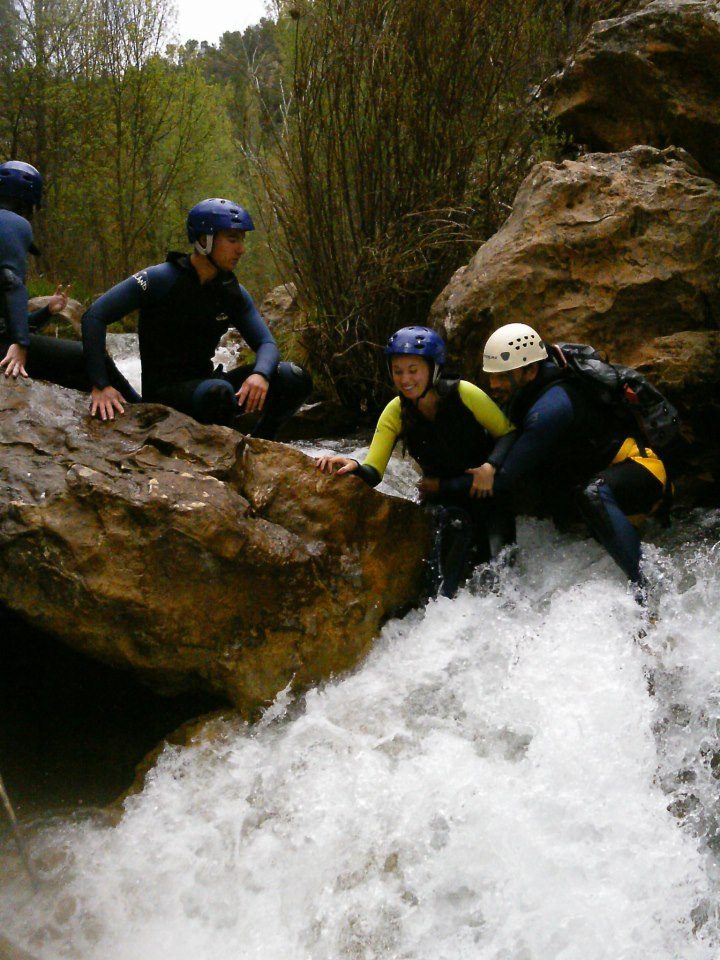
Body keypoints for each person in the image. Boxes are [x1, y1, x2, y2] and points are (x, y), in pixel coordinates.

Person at [82, 197, 312, 436]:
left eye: (242, 240)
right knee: (219, 394)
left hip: (208, 386)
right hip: (165, 396)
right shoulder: (160, 279)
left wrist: (260, 374)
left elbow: (266, 344)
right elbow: (94, 316)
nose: (241, 249)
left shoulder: (232, 292)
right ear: (204, 240)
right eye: (233, 239)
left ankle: (261, 445)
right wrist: (101, 384)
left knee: (293, 377)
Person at [317, 325, 517, 598]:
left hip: (485, 494)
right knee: (449, 543)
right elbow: (374, 471)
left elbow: (508, 434)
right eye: (398, 371)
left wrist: (490, 466)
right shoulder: (395, 412)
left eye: (413, 370)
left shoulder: (465, 393)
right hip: (445, 502)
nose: (405, 379)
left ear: (433, 369)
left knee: (501, 581)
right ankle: (439, 611)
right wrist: (353, 466)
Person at [482, 322, 668, 594]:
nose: (493, 384)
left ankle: (647, 591)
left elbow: (504, 478)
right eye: (492, 376)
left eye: (502, 376)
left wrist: (443, 486)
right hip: (600, 490)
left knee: (592, 493)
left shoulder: (551, 408)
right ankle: (499, 593)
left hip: (641, 472)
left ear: (531, 370)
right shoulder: (525, 395)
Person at [0, 160, 139, 400]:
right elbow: (10, 281)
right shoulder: (14, 222)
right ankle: (143, 408)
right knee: (91, 358)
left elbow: (11, 323)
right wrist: (21, 344)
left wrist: (47, 311)